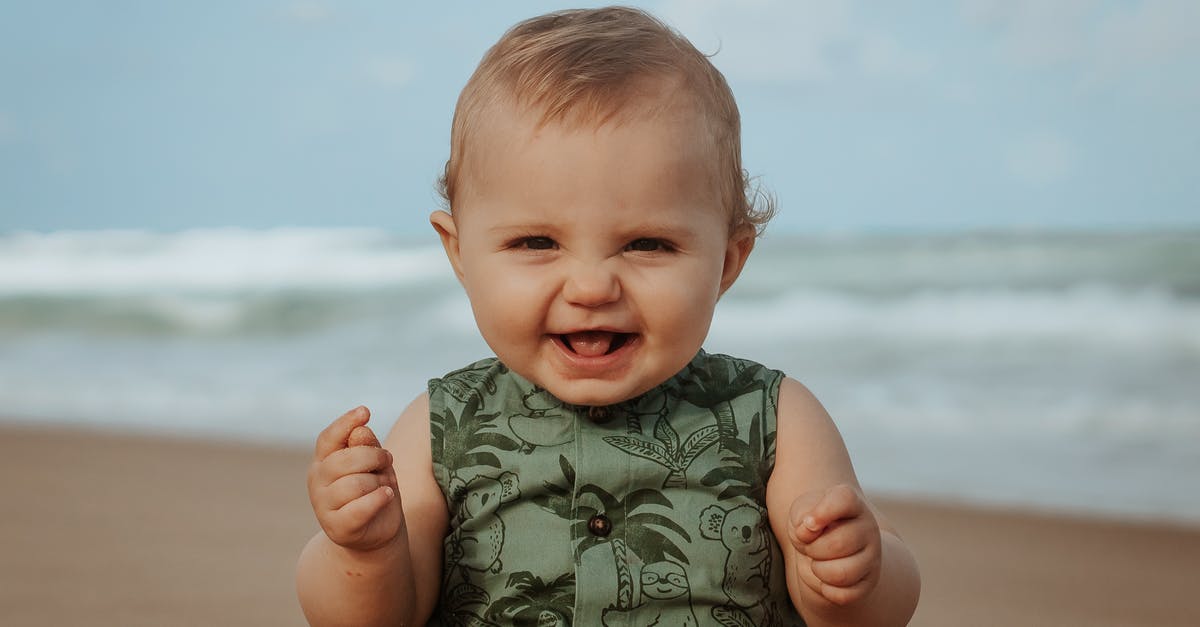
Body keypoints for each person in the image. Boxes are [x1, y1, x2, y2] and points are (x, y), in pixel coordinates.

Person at [296, 6, 920, 626]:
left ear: (728, 261)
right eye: (536, 243)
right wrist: (367, 550)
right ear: (459, 252)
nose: (592, 286)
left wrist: (852, 576)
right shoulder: (440, 429)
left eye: (647, 244)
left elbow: (873, 612)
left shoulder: (775, 418)